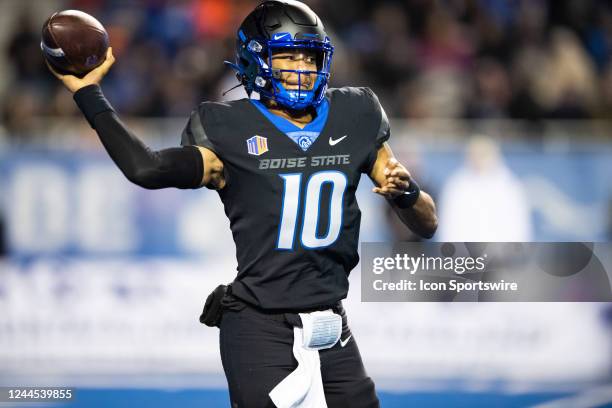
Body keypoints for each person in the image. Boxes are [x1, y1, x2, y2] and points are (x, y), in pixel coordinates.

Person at [47, 1, 437, 407]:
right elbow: (147, 169)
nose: (302, 68)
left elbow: (426, 223)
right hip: (260, 326)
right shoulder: (227, 128)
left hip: (331, 324)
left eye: (310, 56)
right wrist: (88, 94)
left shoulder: (354, 113)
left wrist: (406, 194)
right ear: (256, 60)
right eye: (287, 55)